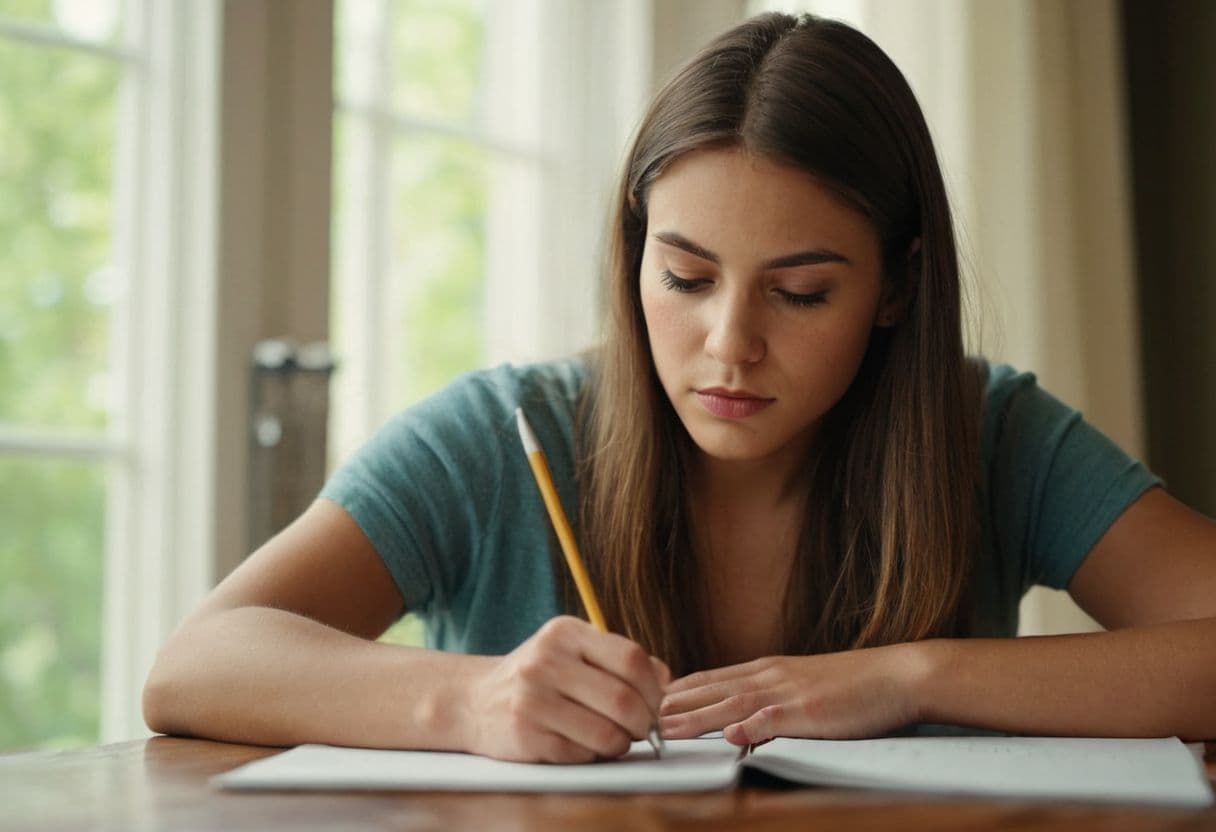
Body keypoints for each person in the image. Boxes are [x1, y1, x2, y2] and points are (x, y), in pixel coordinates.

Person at [142, 12, 1216, 763]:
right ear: (634, 257)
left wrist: (912, 675)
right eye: (686, 277)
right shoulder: (498, 430)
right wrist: (469, 698)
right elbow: (197, 663)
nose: (728, 344)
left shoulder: (990, 433)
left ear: (898, 287)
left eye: (799, 294)